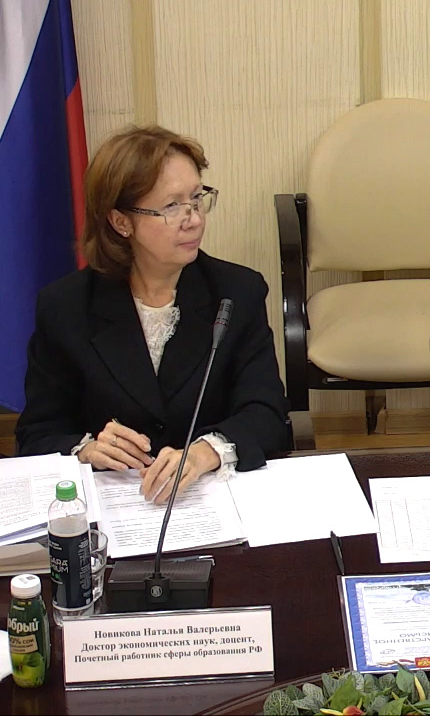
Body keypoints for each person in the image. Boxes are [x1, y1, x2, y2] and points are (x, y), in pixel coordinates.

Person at [16, 125, 290, 502]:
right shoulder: (65, 307)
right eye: (172, 206)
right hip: (115, 507)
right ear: (121, 222)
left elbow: (268, 414)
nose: (194, 219)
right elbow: (38, 434)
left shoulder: (237, 292)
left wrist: (206, 452)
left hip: (213, 499)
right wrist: (86, 449)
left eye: (197, 198)